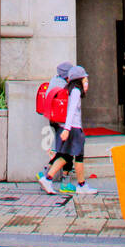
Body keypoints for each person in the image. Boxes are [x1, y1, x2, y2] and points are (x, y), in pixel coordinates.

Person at [37, 65, 97, 196]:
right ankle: (76, 184)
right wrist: (67, 129)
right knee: (74, 157)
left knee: (67, 156)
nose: (86, 80)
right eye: (85, 78)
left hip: (71, 128)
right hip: (73, 128)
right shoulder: (75, 91)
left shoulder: (70, 89)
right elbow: (71, 112)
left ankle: (50, 179)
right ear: (79, 79)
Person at [43, 60, 75, 195]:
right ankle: (63, 181)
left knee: (62, 150)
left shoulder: (53, 81)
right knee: (67, 152)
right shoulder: (66, 87)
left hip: (53, 120)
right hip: (64, 123)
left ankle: (46, 174)